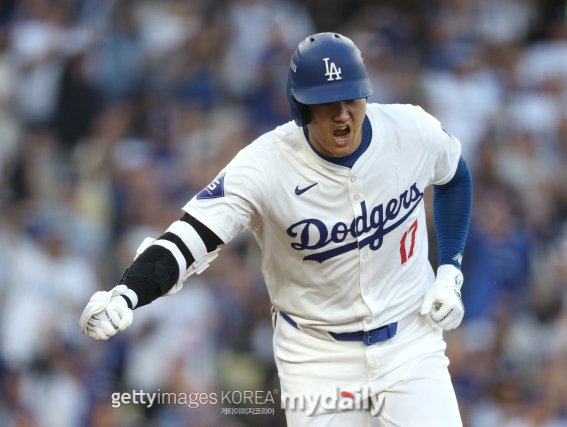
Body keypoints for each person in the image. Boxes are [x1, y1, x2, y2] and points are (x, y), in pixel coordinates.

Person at [79, 32, 472, 426]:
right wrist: (128, 293)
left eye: (352, 98)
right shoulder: (265, 166)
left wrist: (450, 268)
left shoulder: (410, 130)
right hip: (317, 358)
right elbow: (188, 238)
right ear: (300, 107)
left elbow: (455, 177)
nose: (342, 114)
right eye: (326, 103)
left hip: (410, 343)